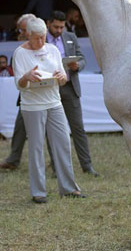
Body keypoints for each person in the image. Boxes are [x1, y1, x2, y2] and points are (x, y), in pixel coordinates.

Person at [13, 17, 85, 203]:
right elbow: (19, 85)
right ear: (28, 35)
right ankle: (39, 192)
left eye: (43, 37)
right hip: (33, 106)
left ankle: (69, 188)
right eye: (36, 38)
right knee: (36, 147)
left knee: (63, 144)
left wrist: (62, 77)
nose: (40, 42)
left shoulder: (52, 50)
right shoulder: (20, 54)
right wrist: (26, 77)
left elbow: (62, 78)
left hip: (54, 102)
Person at [46, 10, 99, 176]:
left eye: (62, 27)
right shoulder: (42, 39)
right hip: (50, 88)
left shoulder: (70, 36)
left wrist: (78, 65)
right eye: (56, 27)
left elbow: (82, 58)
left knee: (78, 128)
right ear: (49, 24)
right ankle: (56, 167)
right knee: (52, 130)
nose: (59, 30)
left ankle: (87, 165)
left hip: (70, 86)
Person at [0, 14, 36, 170]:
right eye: (20, 29)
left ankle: (55, 162)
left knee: (49, 132)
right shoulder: (21, 48)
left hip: (42, 96)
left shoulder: (42, 45)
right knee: (19, 128)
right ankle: (13, 159)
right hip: (25, 94)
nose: (21, 32)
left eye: (23, 29)